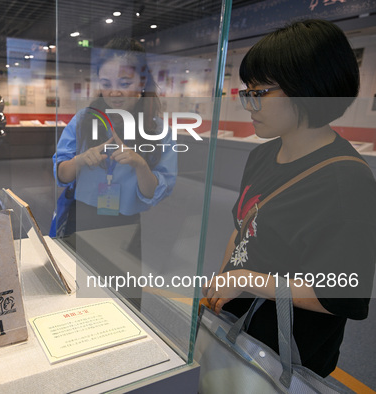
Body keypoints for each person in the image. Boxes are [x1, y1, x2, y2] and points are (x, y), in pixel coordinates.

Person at [203, 19, 376, 377]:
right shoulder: (262, 155)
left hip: (288, 353)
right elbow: (242, 227)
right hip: (237, 328)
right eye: (245, 91)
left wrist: (247, 280)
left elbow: (343, 295)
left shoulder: (347, 182)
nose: (249, 104)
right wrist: (226, 276)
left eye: (259, 92)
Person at [52, 38, 177, 305]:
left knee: (123, 302)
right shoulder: (84, 119)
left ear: (142, 83)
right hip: (81, 218)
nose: (114, 92)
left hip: (124, 227)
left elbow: (156, 191)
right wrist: (82, 160)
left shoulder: (157, 130)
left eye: (124, 83)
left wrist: (140, 164)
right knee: (75, 298)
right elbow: (62, 174)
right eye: (106, 84)